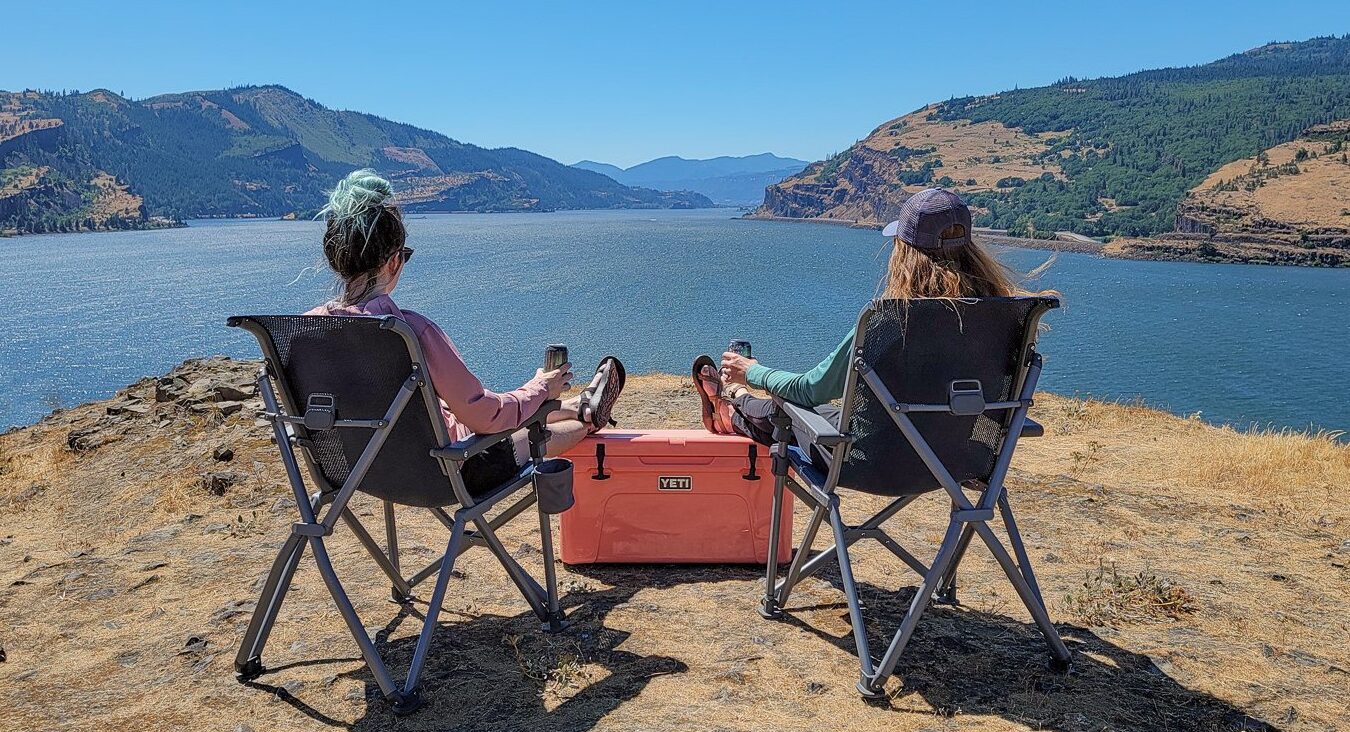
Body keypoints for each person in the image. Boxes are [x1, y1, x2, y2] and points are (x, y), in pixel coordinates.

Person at [307, 169, 624, 494]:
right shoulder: (408, 333)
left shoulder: (306, 331)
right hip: (442, 475)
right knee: (526, 437)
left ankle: (580, 404)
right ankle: (589, 419)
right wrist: (540, 387)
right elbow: (486, 416)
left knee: (478, 419)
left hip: (357, 475)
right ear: (393, 263)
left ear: (335, 259)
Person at [693, 187, 1035, 452]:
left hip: (873, 461)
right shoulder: (1004, 318)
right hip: (959, 459)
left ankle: (733, 405)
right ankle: (733, 403)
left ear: (905, 253)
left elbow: (811, 389)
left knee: (787, 407)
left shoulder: (889, 319)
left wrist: (752, 371)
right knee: (813, 412)